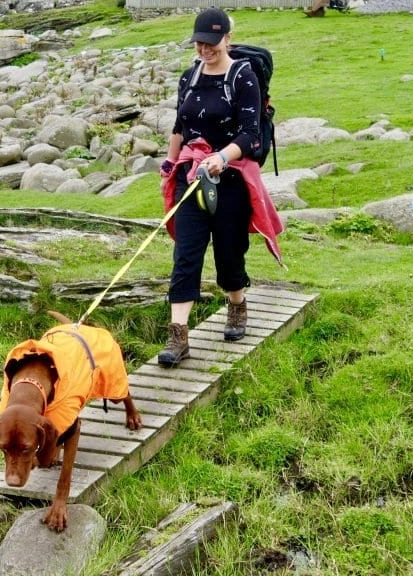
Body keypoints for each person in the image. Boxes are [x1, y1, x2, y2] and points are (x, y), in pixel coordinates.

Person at [158, 6, 284, 368]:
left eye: (211, 42)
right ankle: (178, 336)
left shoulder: (243, 76)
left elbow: (249, 133)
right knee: (186, 254)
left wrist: (222, 158)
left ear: (227, 38)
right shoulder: (190, 77)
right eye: (199, 43)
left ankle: (237, 304)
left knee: (229, 253)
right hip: (191, 178)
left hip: (229, 178)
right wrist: (170, 163)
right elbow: (180, 127)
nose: (205, 49)